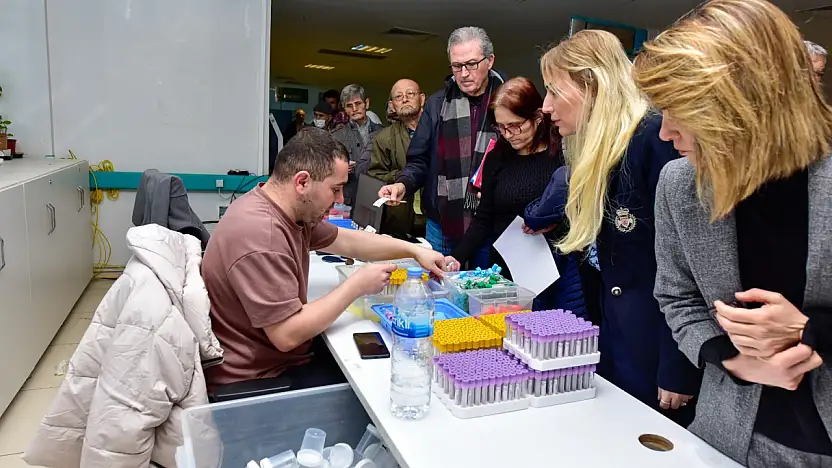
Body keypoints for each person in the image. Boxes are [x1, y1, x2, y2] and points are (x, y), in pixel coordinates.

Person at [636, 0, 832, 464]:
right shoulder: (680, 184)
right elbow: (677, 297)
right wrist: (732, 359)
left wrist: (812, 331)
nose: (665, 133)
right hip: (727, 437)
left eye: (680, 110)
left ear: (745, 102)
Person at [524, 30, 701, 425]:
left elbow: (687, 265)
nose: (547, 107)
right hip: (616, 335)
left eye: (554, 91)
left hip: (657, 347)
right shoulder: (598, 149)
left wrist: (679, 366)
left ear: (592, 86)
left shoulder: (653, 141)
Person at [202, 127, 446, 395]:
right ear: (302, 182)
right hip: (262, 377)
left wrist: (414, 251)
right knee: (380, 384)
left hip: (280, 359)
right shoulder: (262, 234)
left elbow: (348, 241)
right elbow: (286, 335)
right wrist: (357, 285)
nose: (340, 200)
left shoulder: (284, 209)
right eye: (335, 189)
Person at [442, 77, 584, 314]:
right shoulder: (497, 157)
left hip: (555, 269)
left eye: (516, 126)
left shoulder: (564, 153)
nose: (508, 135)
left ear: (537, 117)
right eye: (501, 127)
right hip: (506, 269)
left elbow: (583, 212)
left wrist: (557, 223)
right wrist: (456, 257)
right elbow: (484, 217)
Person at [378, 27, 506, 269]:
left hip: (493, 224)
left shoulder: (507, 100)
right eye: (457, 66)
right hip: (443, 223)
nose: (464, 74)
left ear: (490, 61)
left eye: (471, 64)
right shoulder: (437, 104)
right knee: (438, 287)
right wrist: (403, 184)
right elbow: (419, 159)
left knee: (486, 291)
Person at [367, 78, 427, 236]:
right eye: (398, 96)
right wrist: (402, 176)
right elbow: (375, 176)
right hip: (400, 216)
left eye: (410, 94)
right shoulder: (383, 138)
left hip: (435, 217)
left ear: (422, 99)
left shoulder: (438, 129)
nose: (405, 99)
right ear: (392, 105)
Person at [332, 84, 383, 206]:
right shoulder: (336, 136)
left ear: (367, 103)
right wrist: (340, 168)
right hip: (349, 198)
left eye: (358, 103)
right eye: (349, 106)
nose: (354, 109)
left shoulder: (383, 133)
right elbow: (326, 169)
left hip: (377, 195)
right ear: (344, 109)